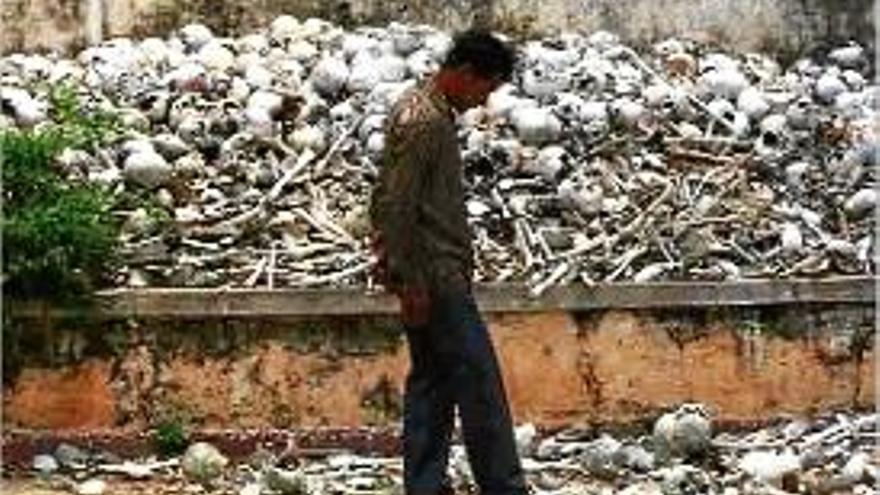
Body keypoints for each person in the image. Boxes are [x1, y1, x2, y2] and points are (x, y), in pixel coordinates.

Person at [369, 30, 527, 495]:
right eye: (484, 89)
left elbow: (388, 201)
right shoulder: (425, 122)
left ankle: (424, 484)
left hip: (429, 271)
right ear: (464, 74)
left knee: (432, 385)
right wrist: (410, 280)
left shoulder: (424, 111)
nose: (482, 101)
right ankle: (504, 486)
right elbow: (397, 205)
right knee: (480, 386)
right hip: (436, 276)